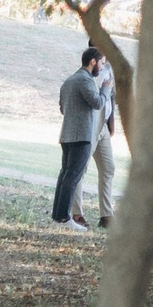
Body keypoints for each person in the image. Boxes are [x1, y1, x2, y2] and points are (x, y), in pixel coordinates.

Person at [53, 48, 106, 231]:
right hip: (81, 136)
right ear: (92, 62)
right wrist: (106, 89)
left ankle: (57, 215)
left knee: (65, 174)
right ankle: (63, 218)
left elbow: (62, 108)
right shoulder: (85, 80)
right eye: (102, 62)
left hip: (67, 135)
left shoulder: (69, 81)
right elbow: (97, 102)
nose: (102, 66)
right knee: (72, 176)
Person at [89, 56, 120, 229]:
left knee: (108, 168)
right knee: (81, 168)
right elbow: (96, 98)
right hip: (91, 124)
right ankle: (76, 213)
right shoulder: (91, 70)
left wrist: (111, 121)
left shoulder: (108, 68)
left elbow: (111, 99)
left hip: (104, 126)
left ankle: (106, 215)